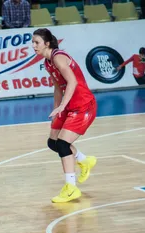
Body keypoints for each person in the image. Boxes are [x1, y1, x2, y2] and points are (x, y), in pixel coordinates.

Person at [32, 28, 98, 203]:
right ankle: (84, 160)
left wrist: (62, 106)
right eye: (33, 42)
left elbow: (72, 81)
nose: (33, 46)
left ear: (47, 43)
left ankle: (71, 188)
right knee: (52, 142)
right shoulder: (47, 62)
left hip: (83, 105)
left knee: (62, 144)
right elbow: (57, 87)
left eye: (36, 42)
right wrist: (57, 110)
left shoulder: (58, 57)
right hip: (68, 106)